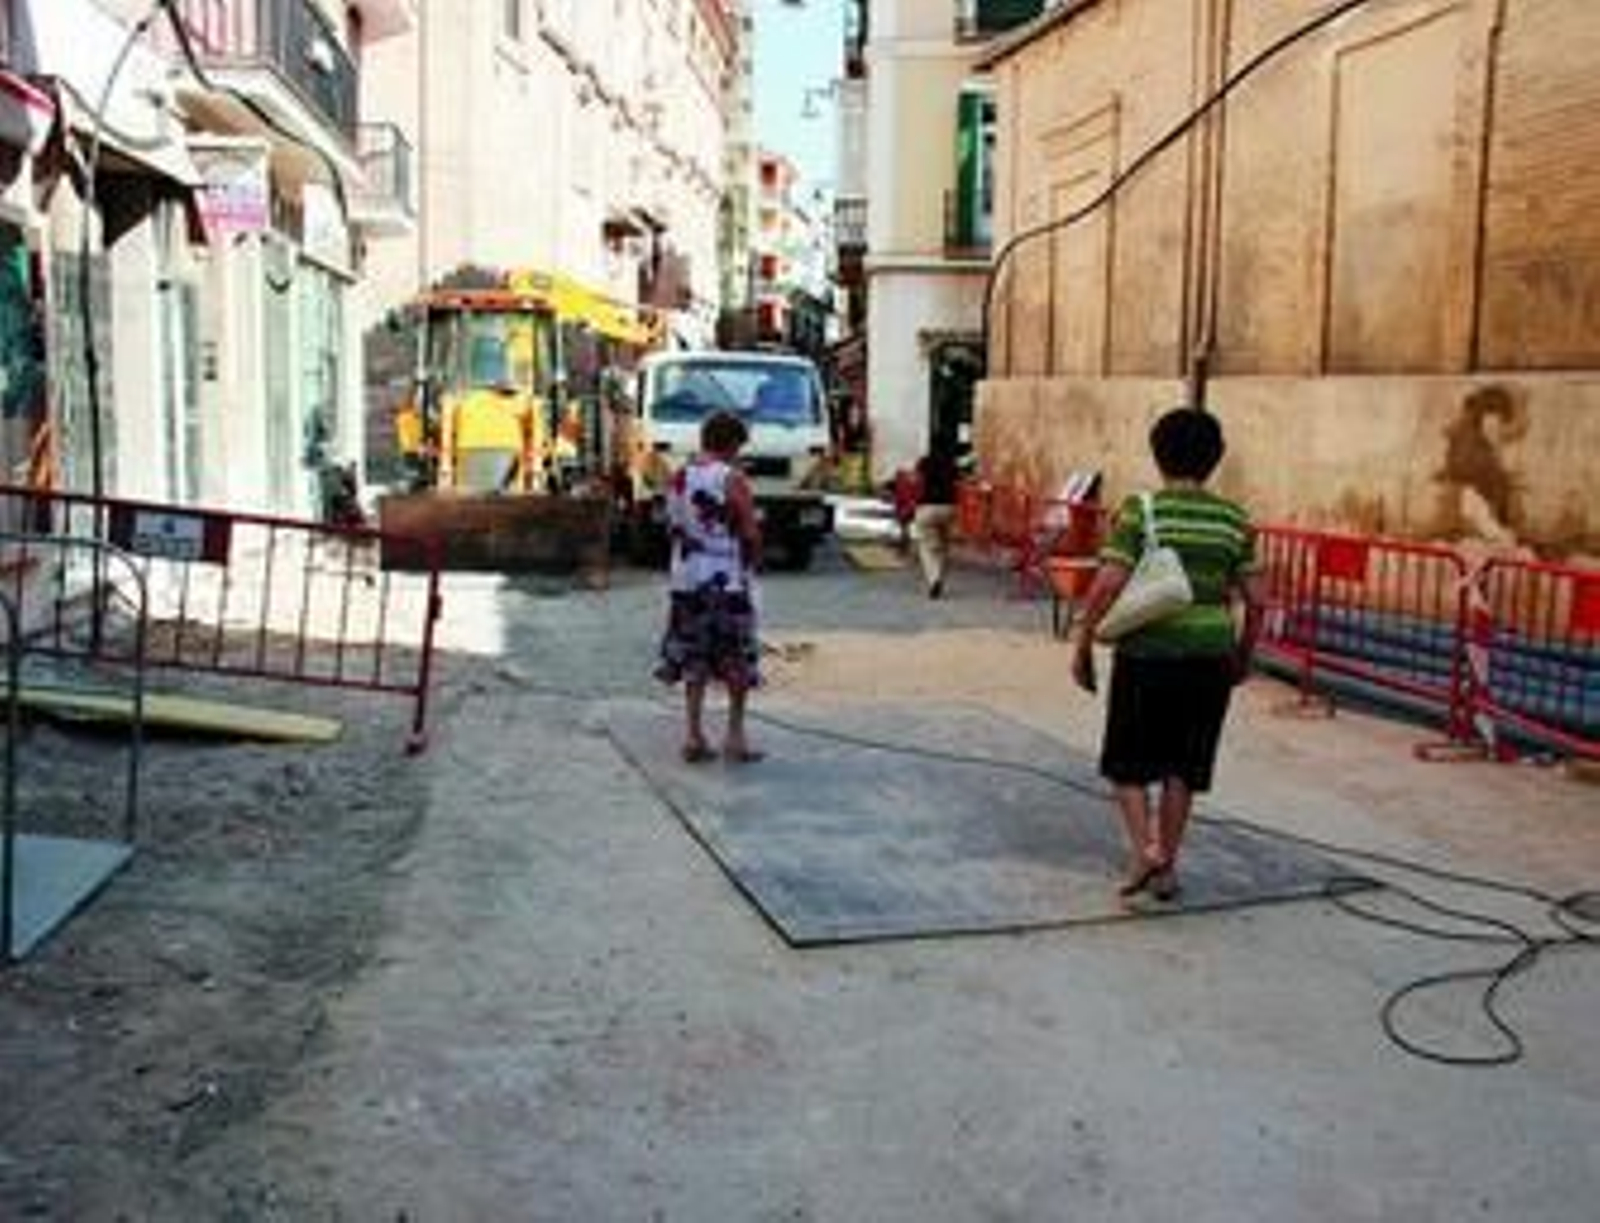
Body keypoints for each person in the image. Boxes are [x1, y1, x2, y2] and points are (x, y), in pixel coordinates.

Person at [1070, 408, 1265, 903]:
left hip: (1148, 654)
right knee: (1184, 765)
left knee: (1127, 762)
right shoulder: (1235, 521)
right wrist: (1243, 654)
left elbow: (1107, 584)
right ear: (1215, 459)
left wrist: (1084, 643)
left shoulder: (1142, 511)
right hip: (1210, 657)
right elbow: (1257, 599)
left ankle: (1145, 851)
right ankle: (1167, 868)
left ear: (1158, 456)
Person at [654, 411, 765, 764]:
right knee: (735, 658)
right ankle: (734, 737)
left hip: (687, 578)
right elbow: (749, 530)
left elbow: (671, 524)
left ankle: (693, 735)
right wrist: (753, 558)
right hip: (726, 580)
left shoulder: (680, 476)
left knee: (694, 657)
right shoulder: (732, 478)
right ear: (732, 443)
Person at [914, 434, 961, 598]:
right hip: (949, 508)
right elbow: (959, 482)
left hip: (927, 508)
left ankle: (934, 580)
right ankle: (940, 576)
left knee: (926, 547)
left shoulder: (924, 462)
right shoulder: (952, 464)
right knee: (944, 546)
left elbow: (916, 482)